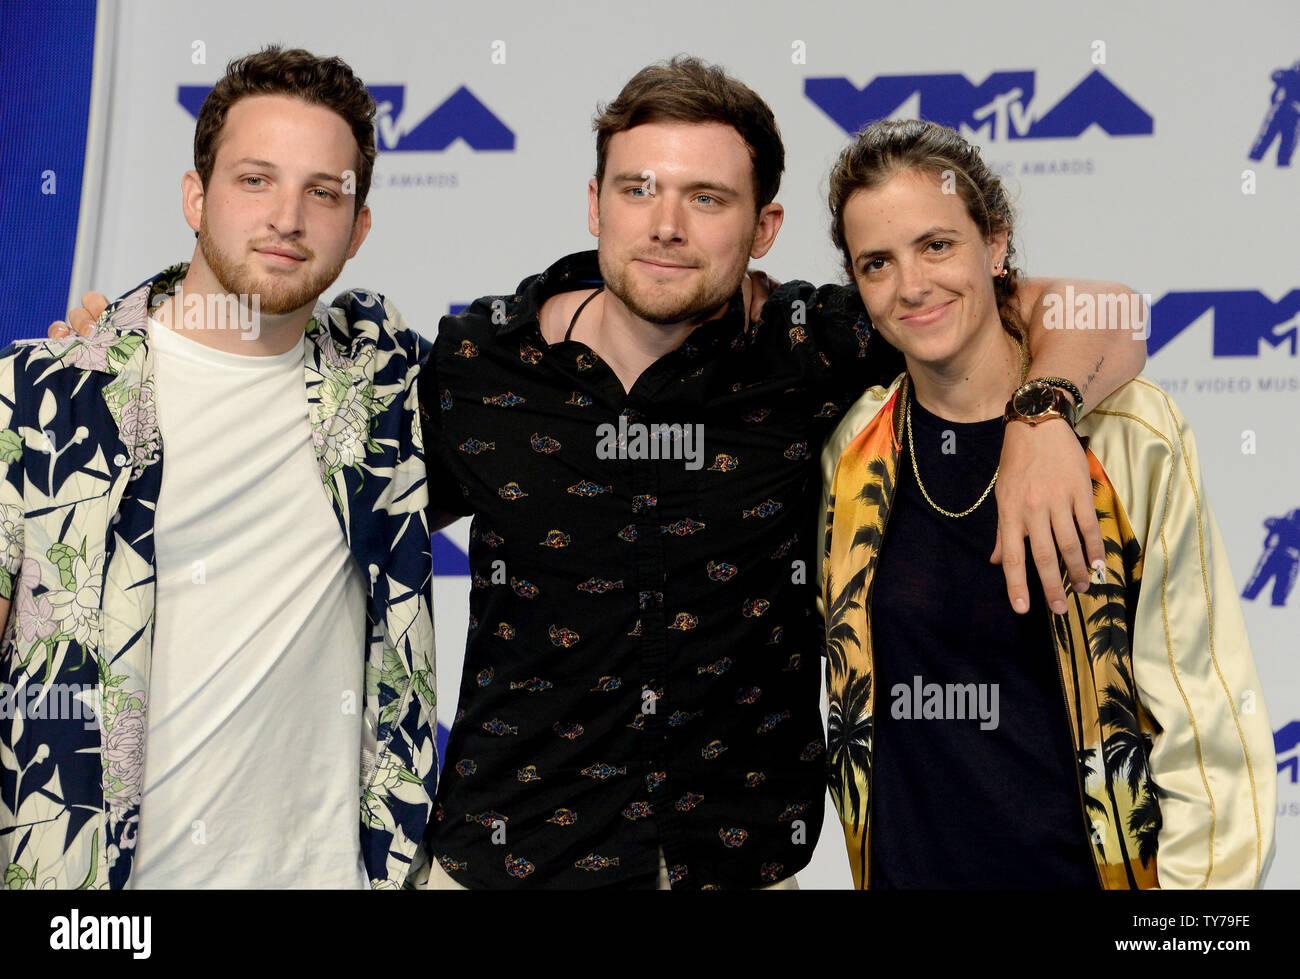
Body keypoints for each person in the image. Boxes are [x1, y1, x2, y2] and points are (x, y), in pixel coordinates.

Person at [57, 56, 1146, 890]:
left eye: (706, 200)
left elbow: (1097, 310)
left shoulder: (818, 343)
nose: (665, 225)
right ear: (593, 204)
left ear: (763, 226)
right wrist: (133, 326)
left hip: (739, 873)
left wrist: (1043, 411)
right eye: (637, 189)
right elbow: (252, 361)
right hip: (498, 872)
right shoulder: (476, 362)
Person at [1, 46, 437, 890]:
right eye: (254, 180)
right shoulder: (43, 396)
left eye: (324, 191)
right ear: (196, 197)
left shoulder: (389, 393)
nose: (288, 217)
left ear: (361, 225)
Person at [818, 118, 1276, 889]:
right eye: (877, 263)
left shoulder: (1129, 435)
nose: (913, 285)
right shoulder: (854, 446)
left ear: (995, 245)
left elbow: (1208, 730)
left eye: (937, 245)